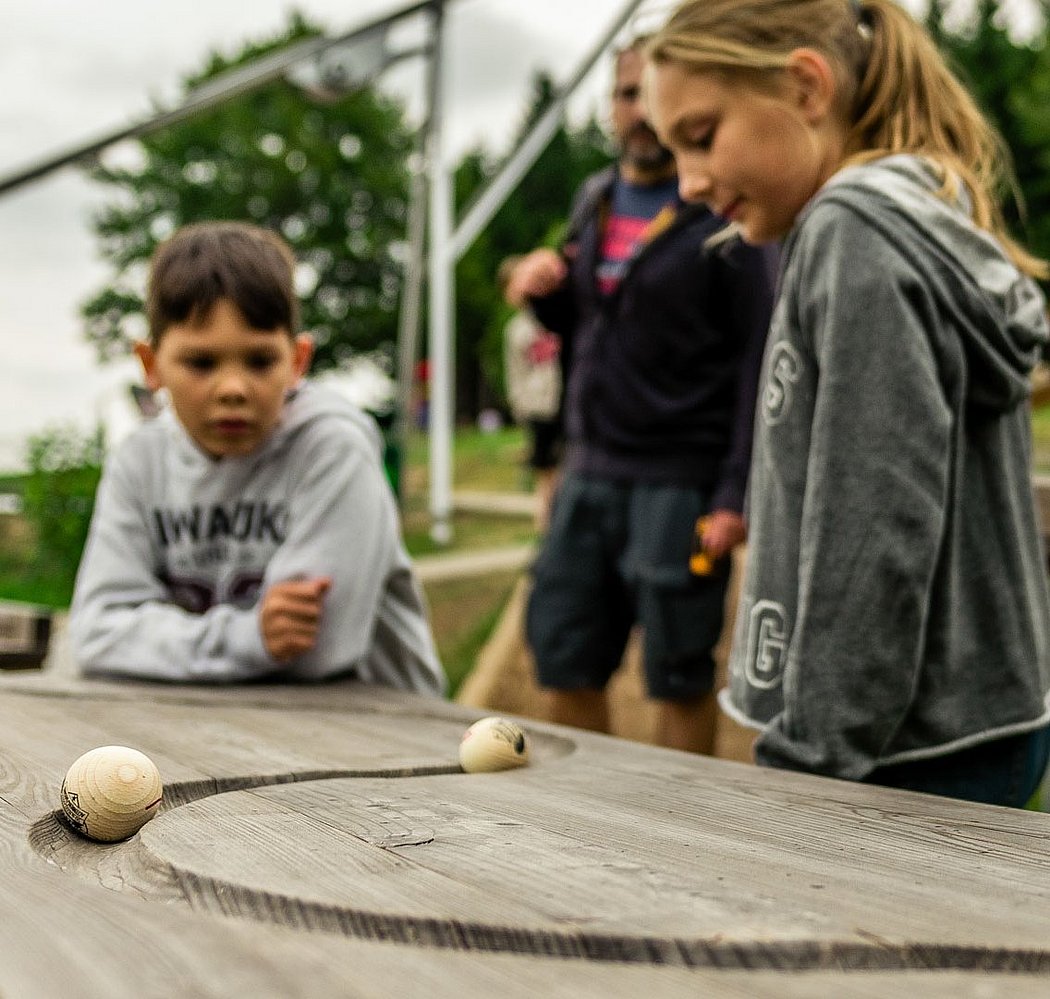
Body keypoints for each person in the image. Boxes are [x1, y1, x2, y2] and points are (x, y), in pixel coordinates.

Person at [645, 0, 1050, 805]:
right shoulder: (919, 216)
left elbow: (874, 518)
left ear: (804, 87)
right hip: (972, 716)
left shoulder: (855, 233)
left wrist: (813, 759)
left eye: (701, 136)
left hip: (907, 746)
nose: (688, 183)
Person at [507, 36, 778, 753]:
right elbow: (583, 320)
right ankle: (590, 824)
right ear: (611, 107)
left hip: (680, 481)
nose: (639, 114)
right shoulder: (593, 197)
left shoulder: (726, 210)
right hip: (588, 470)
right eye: (626, 96)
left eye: (651, 99)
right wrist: (542, 290)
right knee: (562, 653)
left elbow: (760, 356)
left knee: (679, 672)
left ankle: (679, 838)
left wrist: (733, 492)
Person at [69, 221, 445, 695]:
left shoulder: (333, 448)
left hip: (393, 733)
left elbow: (315, 648)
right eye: (201, 363)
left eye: (260, 361)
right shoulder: (139, 461)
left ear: (298, 361)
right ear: (151, 365)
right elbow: (96, 635)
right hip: (239, 719)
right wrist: (249, 638)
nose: (232, 389)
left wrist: (165, 642)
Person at [498, 255, 563, 530]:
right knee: (545, 477)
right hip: (538, 409)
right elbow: (516, 374)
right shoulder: (516, 331)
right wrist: (521, 406)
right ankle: (545, 532)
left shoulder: (560, 319)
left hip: (563, 404)